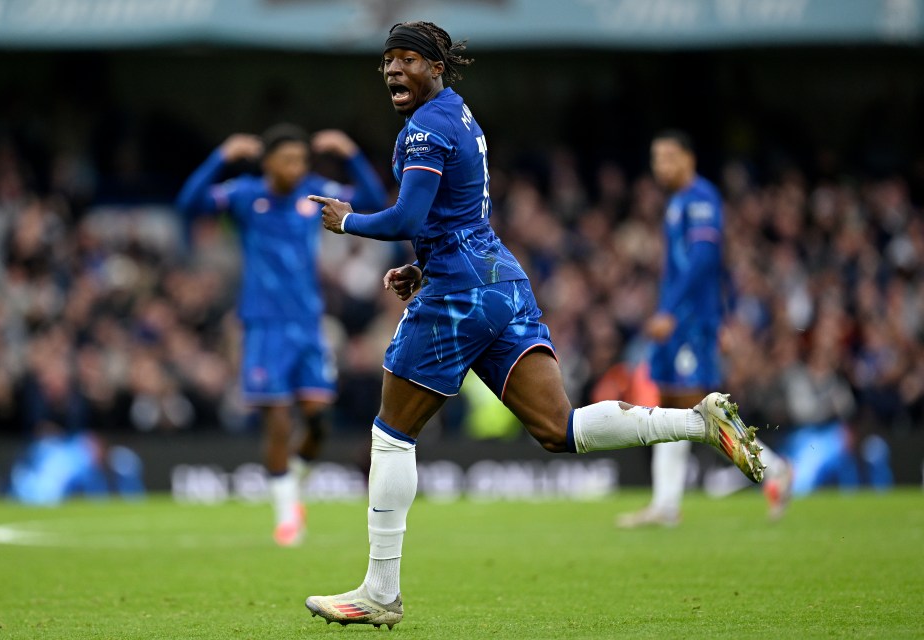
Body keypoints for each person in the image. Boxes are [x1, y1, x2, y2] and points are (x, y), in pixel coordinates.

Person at [303, 21, 764, 629]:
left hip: (460, 295)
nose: (394, 69)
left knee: (392, 435)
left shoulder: (424, 130)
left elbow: (407, 213)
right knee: (557, 427)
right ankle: (698, 421)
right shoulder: (459, 115)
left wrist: (348, 222)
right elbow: (456, 217)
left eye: (408, 59)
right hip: (500, 280)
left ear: (436, 67)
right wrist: (425, 265)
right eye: (388, 60)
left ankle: (380, 591)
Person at [175, 124, 387, 545]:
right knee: (276, 422)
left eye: (301, 160)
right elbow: (188, 203)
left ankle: (294, 483)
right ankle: (287, 515)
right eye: (288, 159)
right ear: (268, 162)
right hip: (264, 326)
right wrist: (221, 156)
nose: (296, 167)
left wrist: (350, 153)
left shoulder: (315, 192)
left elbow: (374, 202)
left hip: (308, 325)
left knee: (318, 421)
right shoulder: (244, 194)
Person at [616, 131, 792, 529]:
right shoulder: (677, 203)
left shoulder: (701, 200)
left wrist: (673, 312)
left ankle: (774, 468)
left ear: (689, 159)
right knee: (671, 408)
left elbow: (704, 261)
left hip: (691, 323)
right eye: (655, 158)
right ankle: (665, 504)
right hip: (682, 322)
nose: (661, 166)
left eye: (668, 157)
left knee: (700, 407)